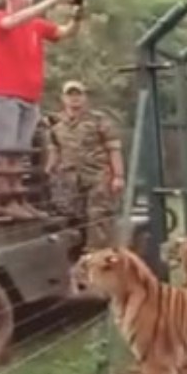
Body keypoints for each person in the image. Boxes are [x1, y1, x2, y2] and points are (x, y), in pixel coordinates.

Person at [0, 0, 84, 220]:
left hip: (29, 98)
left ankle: (19, 199)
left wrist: (76, 17)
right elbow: (10, 23)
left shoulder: (35, 25)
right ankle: (5, 201)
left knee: (18, 153)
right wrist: (53, 1)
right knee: (3, 152)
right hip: (3, 95)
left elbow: (63, 33)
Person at [47, 81, 124, 251]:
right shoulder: (56, 124)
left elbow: (114, 148)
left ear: (85, 98)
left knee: (98, 216)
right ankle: (78, 256)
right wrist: (49, 170)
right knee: (73, 217)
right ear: (63, 98)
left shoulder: (98, 120)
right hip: (70, 179)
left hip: (98, 176)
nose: (74, 99)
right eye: (70, 95)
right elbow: (54, 150)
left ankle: (97, 255)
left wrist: (118, 176)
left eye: (78, 94)